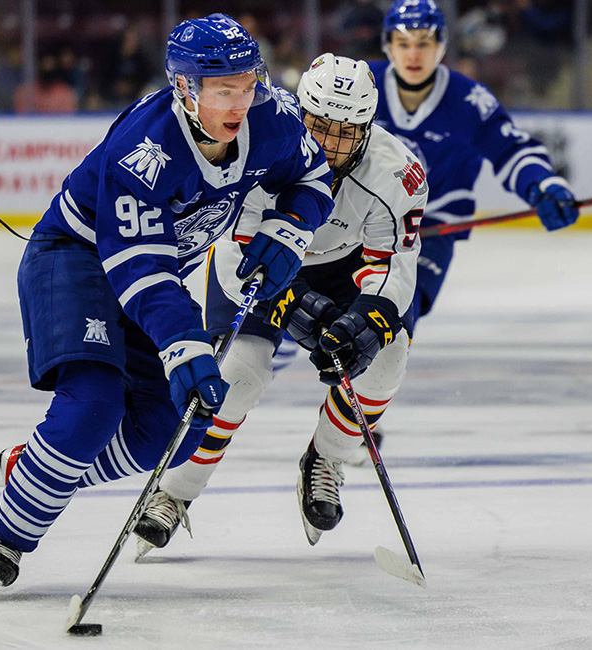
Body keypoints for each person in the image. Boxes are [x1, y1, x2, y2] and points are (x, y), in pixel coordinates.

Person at [0, 13, 334, 599]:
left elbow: (312, 173)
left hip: (150, 276)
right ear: (186, 89)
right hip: (76, 261)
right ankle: (8, 537)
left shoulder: (273, 118)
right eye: (223, 90)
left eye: (247, 84)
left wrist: (290, 230)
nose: (240, 102)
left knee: (175, 430)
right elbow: (142, 269)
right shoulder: (145, 150)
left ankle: (24, 474)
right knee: (93, 406)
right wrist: (182, 342)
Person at [130, 53, 426, 554]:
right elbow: (230, 246)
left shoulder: (397, 172)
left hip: (343, 267)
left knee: (386, 356)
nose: (331, 147)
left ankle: (326, 458)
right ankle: (175, 492)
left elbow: (394, 265)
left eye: (347, 132)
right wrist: (288, 302)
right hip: (258, 259)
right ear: (298, 111)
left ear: (369, 127)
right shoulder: (254, 142)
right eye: (320, 127)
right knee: (238, 375)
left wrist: (367, 320)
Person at [371, 0, 578, 332]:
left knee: (393, 319)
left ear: (440, 46)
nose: (413, 54)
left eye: (424, 43)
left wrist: (542, 185)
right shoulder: (360, 85)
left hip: (431, 228)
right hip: (361, 221)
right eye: (403, 43)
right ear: (388, 46)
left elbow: (510, 150)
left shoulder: (468, 100)